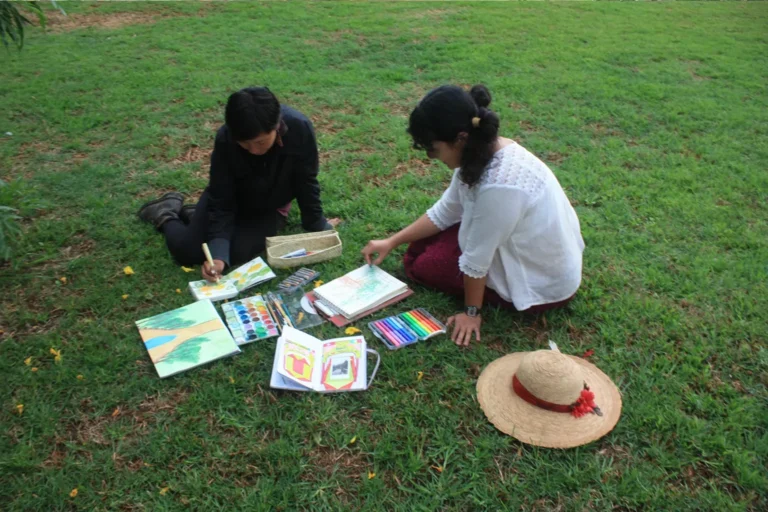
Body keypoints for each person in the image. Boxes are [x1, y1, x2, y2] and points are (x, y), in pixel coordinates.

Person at [361, 85, 584, 347]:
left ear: (459, 139)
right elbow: (446, 211)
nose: (431, 157)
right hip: (523, 246)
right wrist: (392, 241)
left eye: (433, 149)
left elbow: (476, 262)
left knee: (421, 265)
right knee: (419, 247)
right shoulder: (480, 151)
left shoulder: (502, 186)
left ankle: (485, 299)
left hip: (542, 282)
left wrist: (471, 313)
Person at [138, 87, 339, 281]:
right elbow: (221, 196)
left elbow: (306, 180)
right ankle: (165, 212)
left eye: (260, 142)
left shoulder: (299, 128)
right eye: (244, 144)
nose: (253, 151)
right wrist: (217, 254)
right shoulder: (226, 138)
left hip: (269, 207)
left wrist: (317, 223)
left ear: (276, 126)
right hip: (231, 199)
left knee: (238, 252)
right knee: (188, 252)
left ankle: (193, 214)